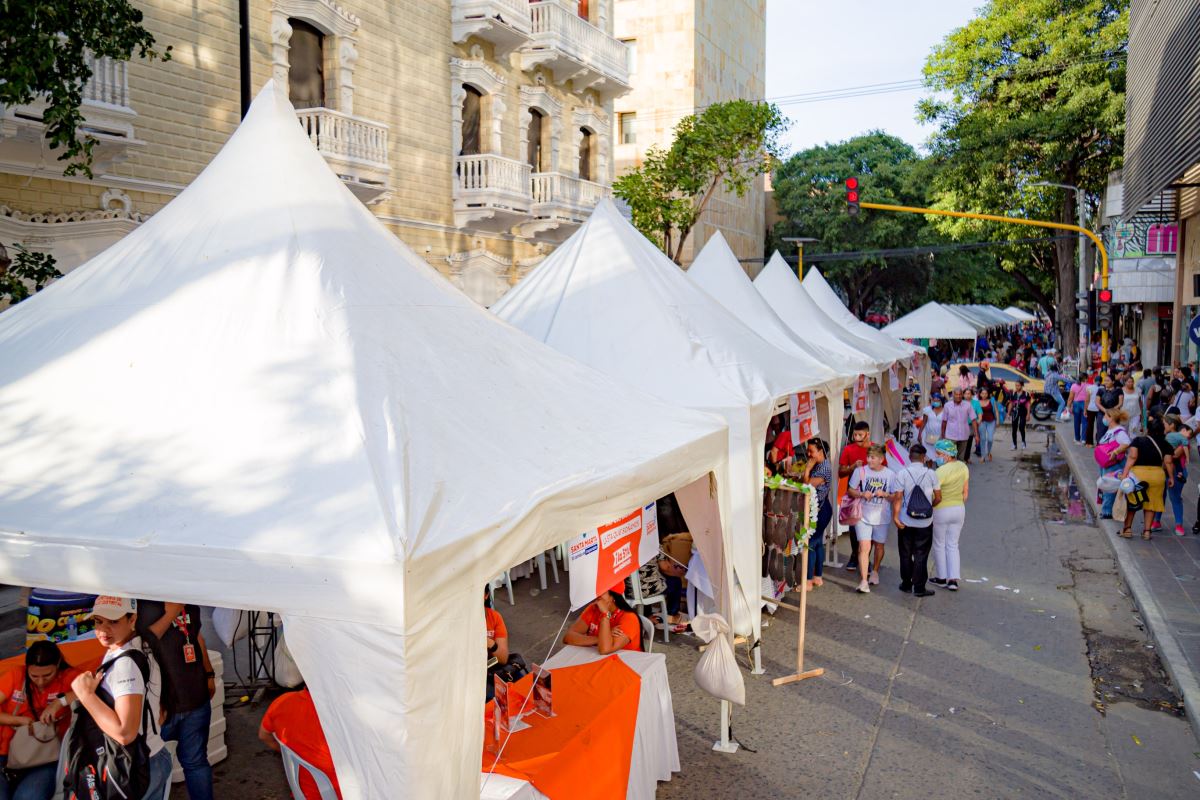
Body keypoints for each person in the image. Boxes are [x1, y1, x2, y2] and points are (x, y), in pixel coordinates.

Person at [69, 596, 171, 800]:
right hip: (147, 759)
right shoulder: (139, 646)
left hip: (136, 767)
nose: (103, 630)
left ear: (132, 619)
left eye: (113, 621)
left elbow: (125, 733)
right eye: (98, 621)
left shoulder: (126, 664)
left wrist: (87, 695)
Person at [136, 601, 216, 800]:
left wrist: (209, 674)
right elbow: (142, 645)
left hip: (195, 699)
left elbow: (197, 636)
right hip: (160, 707)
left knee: (196, 762)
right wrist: (170, 615)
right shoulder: (143, 603)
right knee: (151, 766)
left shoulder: (188, 599)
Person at [0, 641, 81, 800]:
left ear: (58, 665)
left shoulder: (69, 677)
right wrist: (18, 721)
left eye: (47, 675)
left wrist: (59, 702)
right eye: (34, 676)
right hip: (5, 755)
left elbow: (92, 688)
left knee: (29, 797)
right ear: (27, 668)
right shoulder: (16, 675)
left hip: (46, 758)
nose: (40, 681)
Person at [259, 687, 342, 800]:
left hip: (301, 794)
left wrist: (290, 754)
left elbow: (263, 736)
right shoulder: (342, 712)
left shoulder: (282, 701)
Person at [846, 445, 900, 593]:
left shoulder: (890, 475)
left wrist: (886, 495)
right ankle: (864, 581)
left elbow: (896, 496)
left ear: (881, 459)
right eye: (868, 457)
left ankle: (875, 571)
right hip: (862, 515)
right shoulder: (860, 471)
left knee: (879, 546)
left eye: (873, 457)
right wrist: (862, 494)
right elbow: (850, 490)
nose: (869, 460)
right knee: (864, 547)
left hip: (882, 517)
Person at [894, 443, 941, 597]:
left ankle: (906, 584)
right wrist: (929, 507)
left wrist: (896, 516)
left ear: (909, 457)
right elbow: (938, 497)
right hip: (925, 523)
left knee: (905, 553)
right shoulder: (931, 474)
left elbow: (898, 498)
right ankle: (919, 588)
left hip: (906, 521)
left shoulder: (902, 473)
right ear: (923, 457)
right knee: (921, 554)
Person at [1117, 416, 1173, 540]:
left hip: (1139, 475)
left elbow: (1132, 457)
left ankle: (1127, 529)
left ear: (1148, 429)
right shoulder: (1166, 444)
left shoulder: (1138, 440)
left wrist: (1125, 473)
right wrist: (1171, 478)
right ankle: (1147, 532)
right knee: (1151, 503)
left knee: (1133, 501)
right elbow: (1168, 462)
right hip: (1157, 475)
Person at [931, 439, 970, 592]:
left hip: (941, 510)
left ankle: (941, 578)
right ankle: (953, 580)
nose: (937, 457)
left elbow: (934, 494)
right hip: (959, 509)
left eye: (939, 454)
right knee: (953, 544)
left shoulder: (940, 472)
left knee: (940, 544)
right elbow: (965, 493)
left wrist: (932, 506)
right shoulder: (963, 467)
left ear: (947, 455)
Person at [563, 586, 642, 653]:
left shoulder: (629, 618)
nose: (596, 597)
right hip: (599, 660)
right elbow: (568, 637)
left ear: (612, 597)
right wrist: (599, 638)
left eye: (601, 592)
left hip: (628, 664)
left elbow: (605, 650)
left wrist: (605, 614)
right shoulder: (593, 608)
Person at [838, 421, 872, 571]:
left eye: (860, 434)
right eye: (855, 434)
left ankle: (865, 558)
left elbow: (885, 468)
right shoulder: (848, 449)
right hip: (852, 492)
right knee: (854, 525)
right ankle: (854, 555)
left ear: (867, 434)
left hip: (871, 493)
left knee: (869, 526)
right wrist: (852, 467)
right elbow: (840, 471)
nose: (857, 437)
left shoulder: (875, 448)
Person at [803, 437, 834, 589]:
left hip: (821, 510)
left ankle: (808, 581)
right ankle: (817, 577)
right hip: (821, 508)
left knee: (811, 544)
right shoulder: (821, 463)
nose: (808, 454)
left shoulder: (823, 468)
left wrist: (807, 469)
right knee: (818, 544)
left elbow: (807, 486)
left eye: (811, 451)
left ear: (821, 451)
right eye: (808, 450)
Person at [1154, 414, 1189, 536]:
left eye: (1165, 423)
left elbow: (1174, 455)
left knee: (1175, 497)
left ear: (1172, 425)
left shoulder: (1180, 439)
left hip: (1176, 471)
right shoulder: (1165, 436)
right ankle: (1156, 521)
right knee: (1160, 496)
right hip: (1163, 470)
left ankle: (1179, 524)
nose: (1163, 425)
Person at [1096, 407, 1132, 519]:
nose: (1104, 418)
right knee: (1107, 486)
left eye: (1106, 416)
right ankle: (1108, 509)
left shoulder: (1119, 431)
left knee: (1109, 487)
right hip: (1107, 464)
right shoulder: (1111, 430)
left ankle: (1107, 511)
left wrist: (1115, 452)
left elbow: (1127, 443)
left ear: (1111, 418)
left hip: (1114, 465)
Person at [940, 388, 978, 462]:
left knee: (961, 458)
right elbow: (944, 421)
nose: (958, 396)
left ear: (962, 395)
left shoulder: (968, 405)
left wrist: (976, 435)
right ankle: (951, 472)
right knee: (951, 457)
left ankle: (959, 472)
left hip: (964, 436)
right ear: (953, 395)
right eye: (956, 394)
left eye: (960, 394)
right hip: (951, 436)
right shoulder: (947, 406)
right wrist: (943, 434)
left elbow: (973, 420)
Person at [976, 386, 998, 462]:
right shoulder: (977, 402)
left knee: (990, 439)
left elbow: (996, 410)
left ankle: (989, 452)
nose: (984, 395)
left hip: (991, 421)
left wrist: (997, 420)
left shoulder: (992, 400)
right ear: (980, 394)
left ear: (988, 394)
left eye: (986, 393)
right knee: (982, 439)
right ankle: (982, 456)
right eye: (982, 393)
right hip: (981, 422)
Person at [1008, 380, 1031, 450]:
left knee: (1021, 427)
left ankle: (1023, 441)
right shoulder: (1013, 394)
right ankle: (1014, 444)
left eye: (1018, 385)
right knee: (1014, 429)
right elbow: (1011, 403)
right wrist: (1008, 413)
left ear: (1021, 386)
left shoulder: (1026, 394)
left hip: (1023, 412)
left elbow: (1028, 404)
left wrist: (1028, 414)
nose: (1016, 387)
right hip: (1015, 413)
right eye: (1016, 385)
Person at [1070, 377, 1090, 443]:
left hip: (1076, 404)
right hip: (1085, 403)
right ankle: (1084, 439)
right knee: (1085, 422)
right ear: (1085, 379)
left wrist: (1068, 406)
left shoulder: (1073, 386)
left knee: (1076, 421)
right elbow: (1089, 398)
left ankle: (1077, 438)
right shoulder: (1089, 386)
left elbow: (1071, 398)